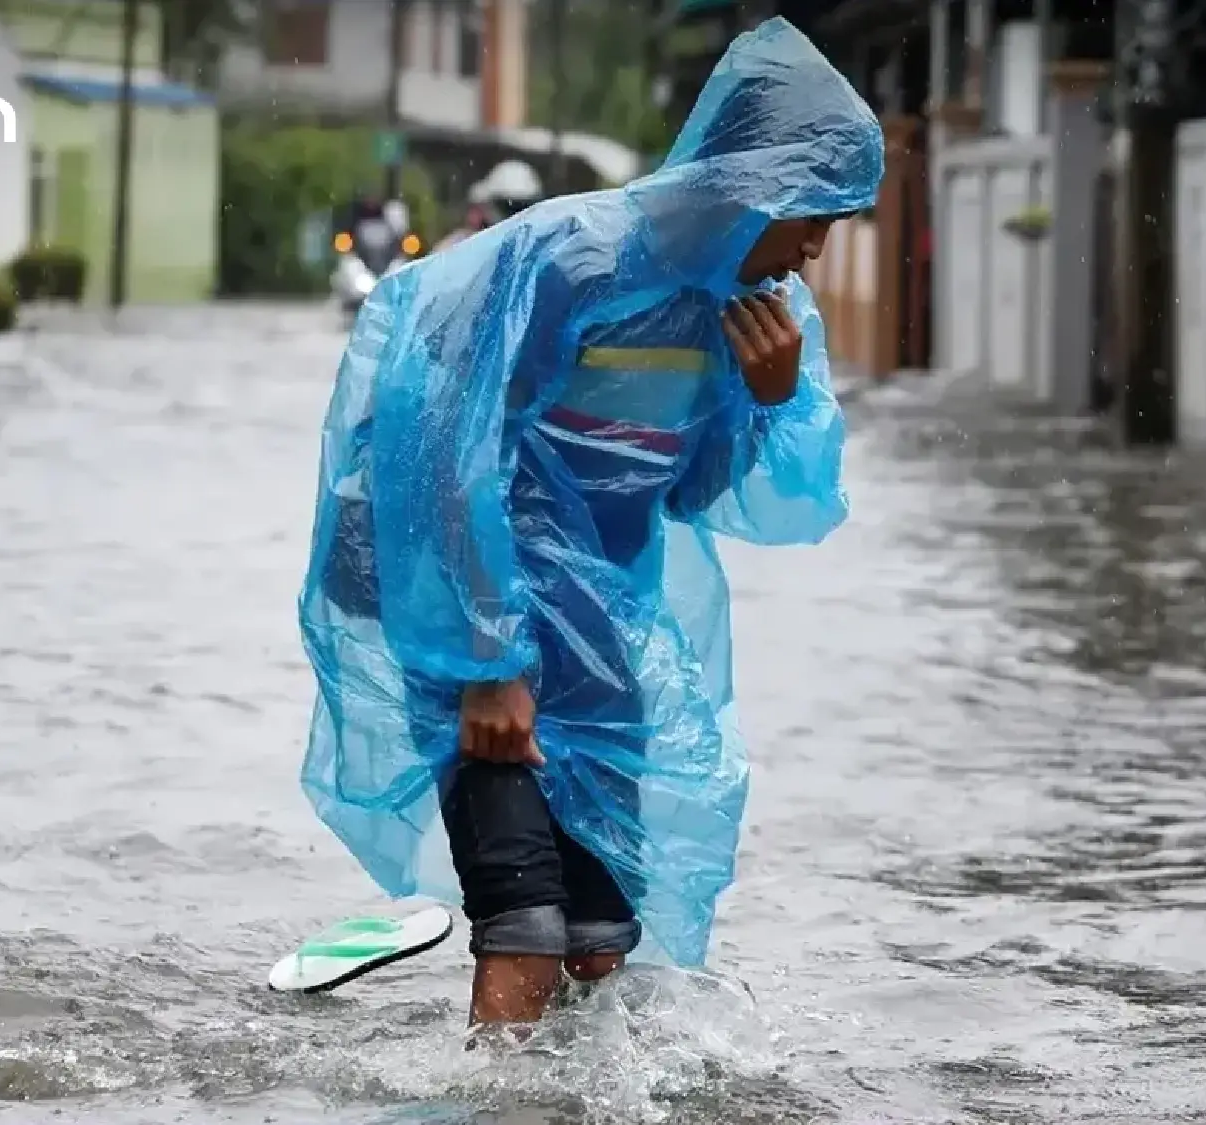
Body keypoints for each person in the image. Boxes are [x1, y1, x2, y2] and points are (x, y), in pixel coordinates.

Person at [297, 16, 882, 1032]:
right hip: (483, 626)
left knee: (599, 946)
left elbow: (702, 491)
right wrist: (487, 660)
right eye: (811, 217)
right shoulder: (563, 262)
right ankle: (489, 1101)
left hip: (601, 646)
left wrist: (768, 395)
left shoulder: (750, 310)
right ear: (752, 188)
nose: (813, 248)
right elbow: (442, 449)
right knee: (523, 926)